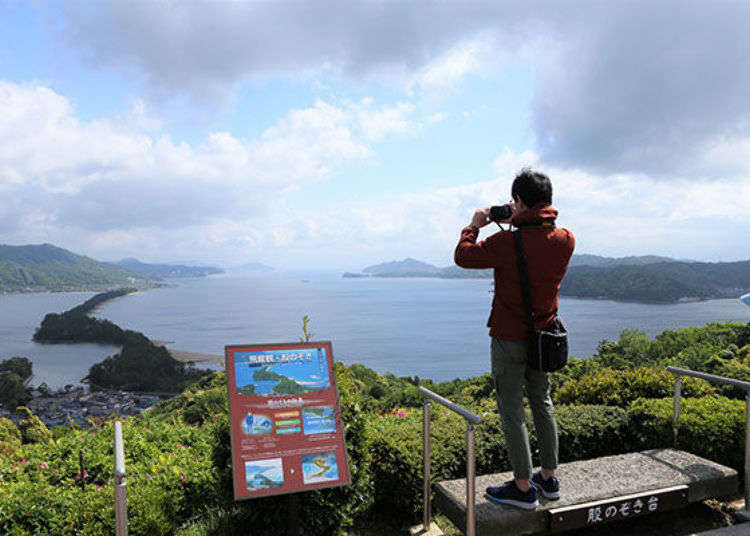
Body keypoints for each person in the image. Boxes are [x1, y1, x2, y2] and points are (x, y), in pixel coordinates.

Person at [454, 168, 575, 509]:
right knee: (543, 402)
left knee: (512, 410)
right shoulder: (565, 238)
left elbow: (463, 256)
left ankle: (522, 488)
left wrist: (475, 225)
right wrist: (518, 220)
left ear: (519, 201)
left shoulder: (506, 242)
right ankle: (548, 479)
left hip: (509, 339)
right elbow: (534, 247)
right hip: (544, 337)